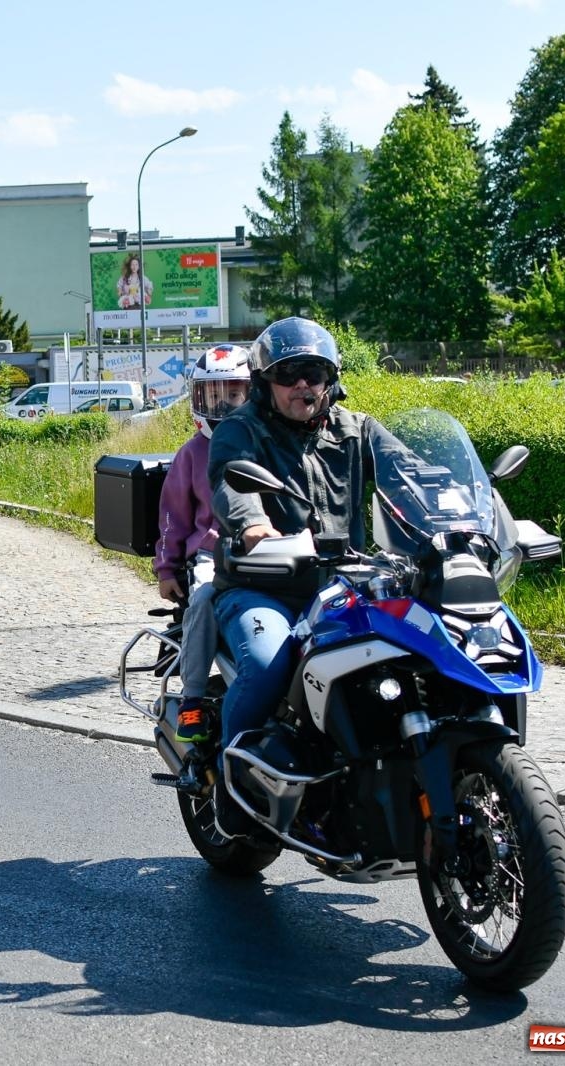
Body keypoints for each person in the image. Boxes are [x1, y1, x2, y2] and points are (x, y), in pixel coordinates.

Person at [207, 317, 409, 838]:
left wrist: (455, 516)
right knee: (270, 662)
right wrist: (252, 524)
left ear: (331, 379)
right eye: (289, 373)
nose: (303, 384)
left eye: (314, 373)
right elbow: (231, 481)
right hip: (264, 584)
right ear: (264, 381)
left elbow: (412, 473)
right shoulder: (242, 429)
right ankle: (231, 792)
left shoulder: (357, 430)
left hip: (344, 588)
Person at [155, 345, 251, 746]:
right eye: (213, 394)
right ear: (197, 397)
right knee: (204, 600)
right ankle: (192, 696)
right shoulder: (192, 453)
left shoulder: (264, 442)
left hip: (265, 551)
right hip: (211, 554)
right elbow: (172, 517)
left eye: (233, 393)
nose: (223, 403)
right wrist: (166, 568)